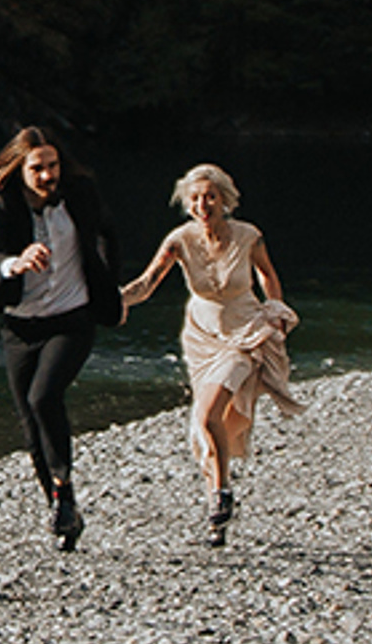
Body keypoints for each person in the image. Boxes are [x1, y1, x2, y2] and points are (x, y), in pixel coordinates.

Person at [0, 125, 124, 550]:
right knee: (31, 428)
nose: (48, 175)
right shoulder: (4, 206)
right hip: (20, 324)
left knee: (43, 397)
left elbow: (107, 231)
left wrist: (109, 285)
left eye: (52, 165)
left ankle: (63, 486)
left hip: (72, 318)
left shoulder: (78, 193)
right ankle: (63, 509)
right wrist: (16, 262)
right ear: (20, 169)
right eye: (38, 168)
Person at [120, 162, 303, 545]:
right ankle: (216, 509)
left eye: (210, 197)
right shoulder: (179, 240)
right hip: (202, 337)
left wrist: (276, 312)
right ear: (187, 204)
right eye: (195, 198)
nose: (203, 204)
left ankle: (221, 492)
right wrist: (113, 301)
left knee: (209, 413)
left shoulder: (248, 235)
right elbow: (148, 282)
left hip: (246, 333)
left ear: (224, 200)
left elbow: (268, 275)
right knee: (202, 424)